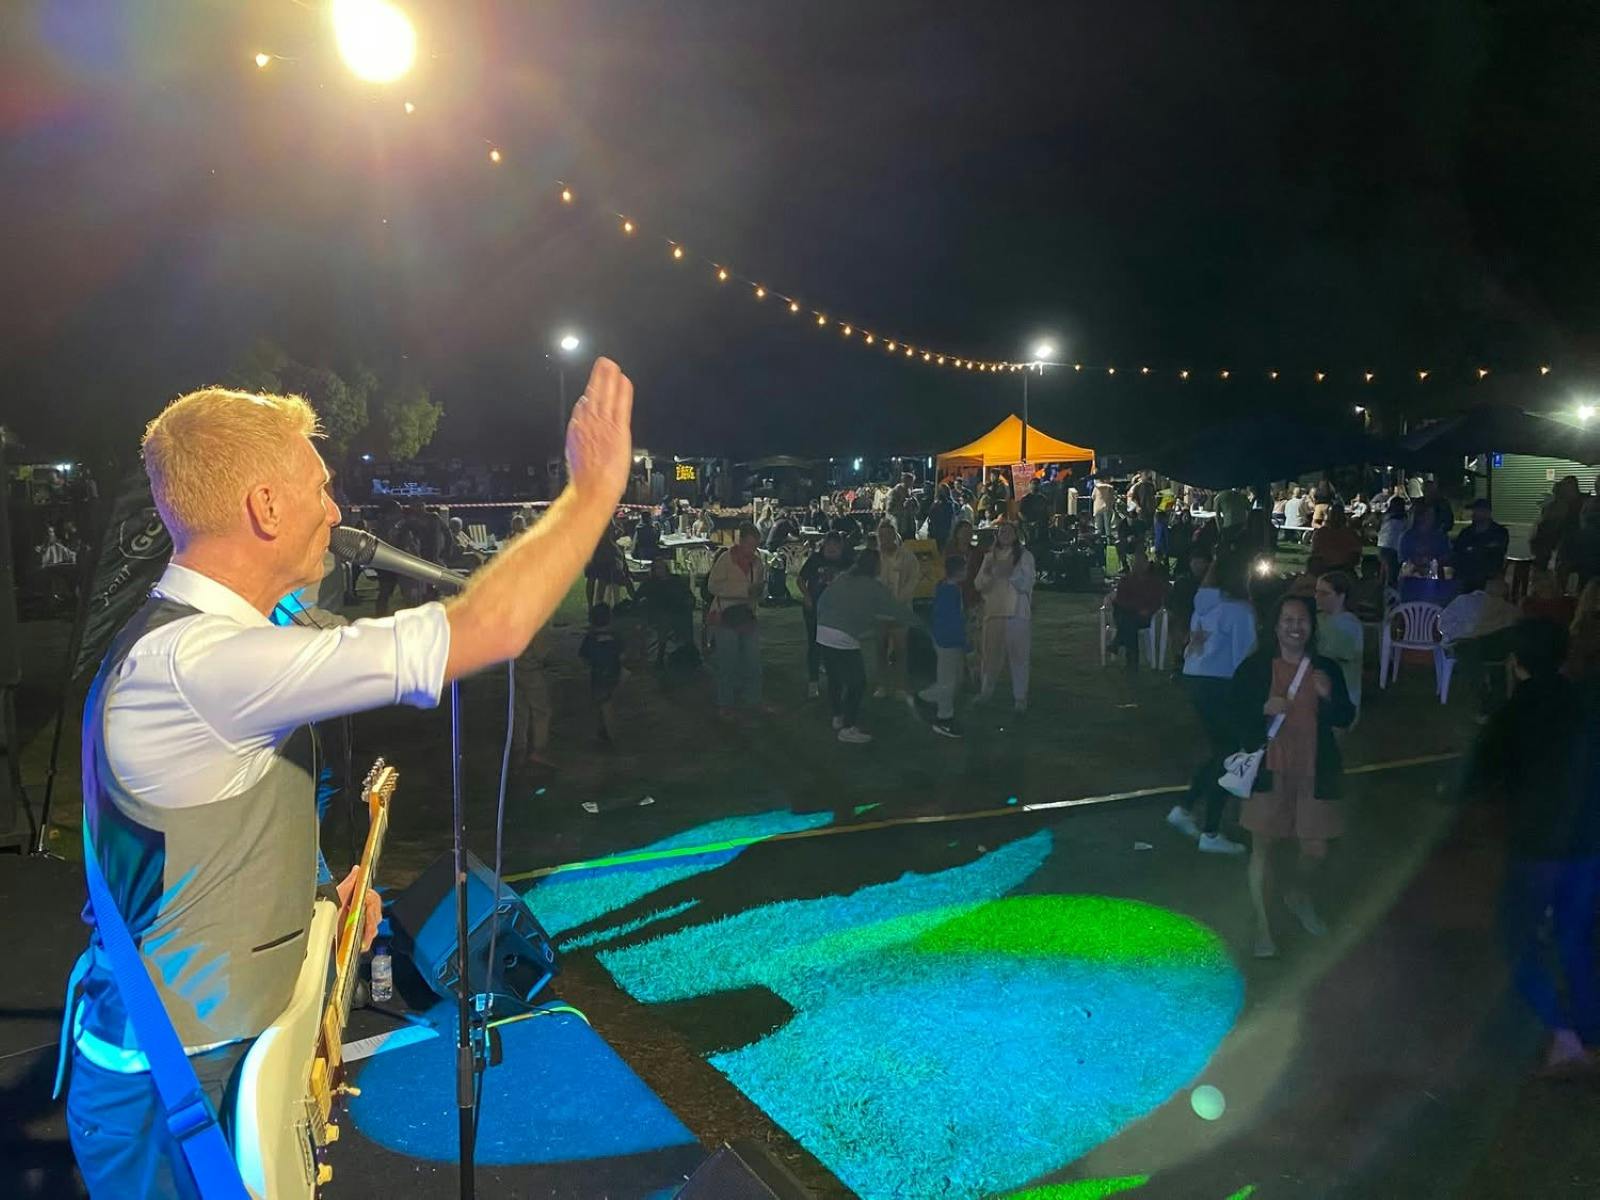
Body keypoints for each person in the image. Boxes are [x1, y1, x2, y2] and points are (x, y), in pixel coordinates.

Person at [60, 360, 634, 1197]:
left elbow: (215, 828)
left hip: (217, 1056)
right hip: (177, 1085)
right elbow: (492, 627)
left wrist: (320, 897)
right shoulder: (200, 662)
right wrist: (590, 495)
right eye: (320, 488)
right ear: (265, 506)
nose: (337, 510)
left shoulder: (218, 643)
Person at [1462, 619, 1600, 1072]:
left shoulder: (1511, 714)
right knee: (1575, 939)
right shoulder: (1585, 704)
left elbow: (1478, 780)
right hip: (1584, 844)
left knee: (1517, 938)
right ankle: (1590, 1032)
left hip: (1535, 847)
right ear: (1564, 658)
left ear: (1516, 662)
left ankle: (1561, 1033)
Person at [1233, 594, 1356, 958]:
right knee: (1264, 847)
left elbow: (1345, 717)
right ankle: (1263, 925)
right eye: (1287, 620)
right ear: (1275, 626)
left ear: (1311, 627)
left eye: (1302, 620)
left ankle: (1298, 892)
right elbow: (1234, 714)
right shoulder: (1256, 668)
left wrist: (1328, 696)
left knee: (1315, 847)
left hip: (1315, 768)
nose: (1295, 627)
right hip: (1270, 767)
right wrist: (1262, 709)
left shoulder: (1325, 669)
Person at [1166, 551, 1257, 854]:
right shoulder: (1241, 611)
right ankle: (1211, 828)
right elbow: (1244, 660)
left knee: (1222, 750)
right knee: (1229, 755)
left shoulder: (1205, 605)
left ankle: (1188, 807)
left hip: (1197, 679)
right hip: (1222, 685)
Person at [815, 549, 919, 744]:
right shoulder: (874, 587)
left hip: (823, 632)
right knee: (857, 683)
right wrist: (918, 622)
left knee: (835, 678)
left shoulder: (843, 578)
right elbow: (896, 609)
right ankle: (848, 727)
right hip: (843, 636)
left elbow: (822, 601)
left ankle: (837, 716)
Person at [974, 520, 1037, 712]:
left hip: (1017, 613)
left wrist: (1010, 573)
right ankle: (986, 691)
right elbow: (979, 584)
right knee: (990, 656)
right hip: (994, 612)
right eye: (1002, 531)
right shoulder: (989, 557)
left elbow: (1027, 583)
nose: (1005, 534)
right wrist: (992, 575)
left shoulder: (1025, 557)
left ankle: (1020, 698)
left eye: (1009, 531)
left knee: (1018, 656)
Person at [706, 521, 768, 717]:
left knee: (753, 662)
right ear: (741, 542)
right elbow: (712, 587)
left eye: (755, 545)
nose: (752, 549)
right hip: (725, 614)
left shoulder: (757, 562)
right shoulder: (726, 559)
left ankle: (754, 700)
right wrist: (743, 592)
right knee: (727, 661)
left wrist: (759, 592)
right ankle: (725, 702)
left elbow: (761, 590)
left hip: (747, 615)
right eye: (750, 544)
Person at [797, 531, 853, 699]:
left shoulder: (847, 561)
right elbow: (800, 578)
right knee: (814, 644)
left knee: (838, 646)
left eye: (835, 547)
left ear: (840, 547)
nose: (832, 550)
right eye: (829, 546)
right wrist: (807, 596)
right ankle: (813, 682)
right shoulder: (815, 559)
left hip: (837, 611)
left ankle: (838, 681)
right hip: (815, 608)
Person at [917, 555, 968, 738]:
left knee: (950, 678)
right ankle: (943, 719)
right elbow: (953, 621)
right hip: (948, 641)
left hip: (943, 638)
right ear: (961, 571)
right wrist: (964, 643)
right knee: (949, 681)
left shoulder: (944, 587)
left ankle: (925, 697)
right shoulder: (951, 591)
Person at [874, 521, 922, 700]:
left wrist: (901, 599)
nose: (884, 540)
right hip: (879, 612)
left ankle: (901, 686)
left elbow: (913, 579)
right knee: (880, 648)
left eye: (888, 535)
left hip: (900, 610)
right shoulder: (875, 557)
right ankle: (882, 685)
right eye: (881, 536)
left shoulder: (907, 556)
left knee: (901, 650)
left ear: (894, 536)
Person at [1313, 571, 1364, 720]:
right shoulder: (1318, 618)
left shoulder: (1349, 625)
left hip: (1341, 697)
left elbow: (1330, 657)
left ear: (1341, 596)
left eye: (1324, 593)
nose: (1317, 597)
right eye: (1317, 592)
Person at [1108, 549, 1169, 671]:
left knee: (1127, 621)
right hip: (1130, 613)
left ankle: (1120, 646)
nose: (1137, 566)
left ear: (1146, 564)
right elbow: (1120, 600)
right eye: (1135, 563)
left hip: (1144, 615)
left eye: (1141, 563)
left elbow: (1158, 601)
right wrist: (1135, 607)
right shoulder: (1125, 581)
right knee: (1128, 620)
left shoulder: (1154, 581)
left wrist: (1147, 610)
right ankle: (1130, 658)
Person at [637, 556, 697, 667]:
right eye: (657, 568)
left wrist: (689, 600)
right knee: (664, 618)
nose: (659, 570)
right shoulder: (650, 583)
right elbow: (638, 597)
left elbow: (687, 593)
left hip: (679, 609)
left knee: (685, 616)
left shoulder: (676, 580)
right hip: (659, 612)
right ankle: (660, 654)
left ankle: (690, 650)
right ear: (653, 571)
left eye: (661, 567)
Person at [579, 602, 624, 745]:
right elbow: (624, 654)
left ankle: (609, 733)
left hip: (597, 675)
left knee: (601, 704)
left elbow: (583, 658)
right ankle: (606, 730)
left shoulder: (590, 639)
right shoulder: (616, 637)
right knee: (609, 702)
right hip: (614, 673)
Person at [510, 629, 554, 769]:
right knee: (541, 712)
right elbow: (542, 653)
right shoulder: (536, 623)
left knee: (519, 710)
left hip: (515, 670)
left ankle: (519, 748)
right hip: (532, 671)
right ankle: (539, 750)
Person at [1453, 498, 1510, 594]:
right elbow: (1458, 552)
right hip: (1465, 576)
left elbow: (1496, 555)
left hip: (1488, 577)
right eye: (1474, 510)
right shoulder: (1466, 533)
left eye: (1478, 510)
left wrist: (1474, 550)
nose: (1474, 513)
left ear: (1487, 512)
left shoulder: (1499, 532)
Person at [1167, 547, 1213, 659]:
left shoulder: (1213, 584)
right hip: (1183, 616)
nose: (1196, 566)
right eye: (1194, 562)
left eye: (1200, 562)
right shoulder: (1183, 582)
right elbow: (1170, 601)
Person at [1307, 503, 1363, 576]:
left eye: (1338, 515)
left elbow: (1356, 556)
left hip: (1344, 570)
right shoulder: (1321, 533)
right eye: (1334, 515)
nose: (1336, 518)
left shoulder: (1350, 534)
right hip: (1326, 570)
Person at [1399, 501, 1451, 575]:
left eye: (1431, 514)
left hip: (1436, 576)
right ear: (1418, 516)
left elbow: (1446, 556)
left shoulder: (1440, 536)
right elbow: (1403, 559)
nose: (1430, 518)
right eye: (1427, 515)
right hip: (1412, 576)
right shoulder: (1408, 536)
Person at [1376, 495, 1407, 585]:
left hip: (1383, 544)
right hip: (1394, 546)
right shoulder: (1403, 519)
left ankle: (1381, 587)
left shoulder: (1386, 517)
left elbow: (1378, 528)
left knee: (1384, 570)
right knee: (1392, 572)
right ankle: (1390, 589)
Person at [1019, 479, 1050, 550]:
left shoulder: (1043, 499)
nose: (1035, 486)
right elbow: (1020, 513)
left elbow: (1047, 513)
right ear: (1029, 486)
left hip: (1041, 525)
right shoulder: (1025, 499)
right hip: (1028, 524)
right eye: (1033, 484)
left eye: (1036, 484)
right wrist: (1028, 522)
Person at [926, 483, 956, 550]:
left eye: (942, 491)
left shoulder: (949, 504)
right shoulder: (935, 504)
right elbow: (931, 515)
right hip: (935, 531)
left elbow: (950, 518)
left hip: (943, 531)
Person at [1092, 476, 1116, 541]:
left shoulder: (1096, 487)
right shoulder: (1110, 488)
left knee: (1098, 527)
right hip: (1107, 508)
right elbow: (1113, 498)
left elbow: (1093, 497)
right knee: (1107, 526)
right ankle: (1109, 541)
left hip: (1097, 508)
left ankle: (1097, 541)